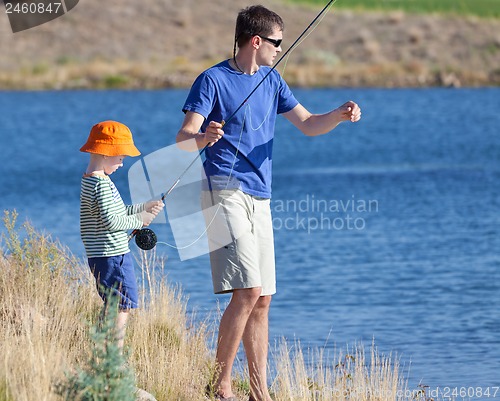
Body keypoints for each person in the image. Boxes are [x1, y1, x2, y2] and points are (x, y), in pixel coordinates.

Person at [176, 5, 361, 401]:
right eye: (277, 42)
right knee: (246, 291)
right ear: (256, 41)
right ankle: (221, 384)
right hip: (222, 190)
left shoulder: (273, 80)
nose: (280, 48)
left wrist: (339, 115)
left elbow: (309, 124)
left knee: (262, 299)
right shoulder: (212, 80)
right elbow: (184, 137)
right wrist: (204, 136)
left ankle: (259, 392)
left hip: (260, 195)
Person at [80, 120, 164, 349]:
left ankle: (101, 350)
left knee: (113, 302)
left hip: (103, 256)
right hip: (113, 256)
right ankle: (112, 356)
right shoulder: (101, 185)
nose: (121, 163)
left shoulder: (91, 180)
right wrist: (141, 220)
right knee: (122, 304)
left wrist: (142, 207)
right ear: (107, 153)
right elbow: (113, 221)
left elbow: (117, 212)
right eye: (120, 158)